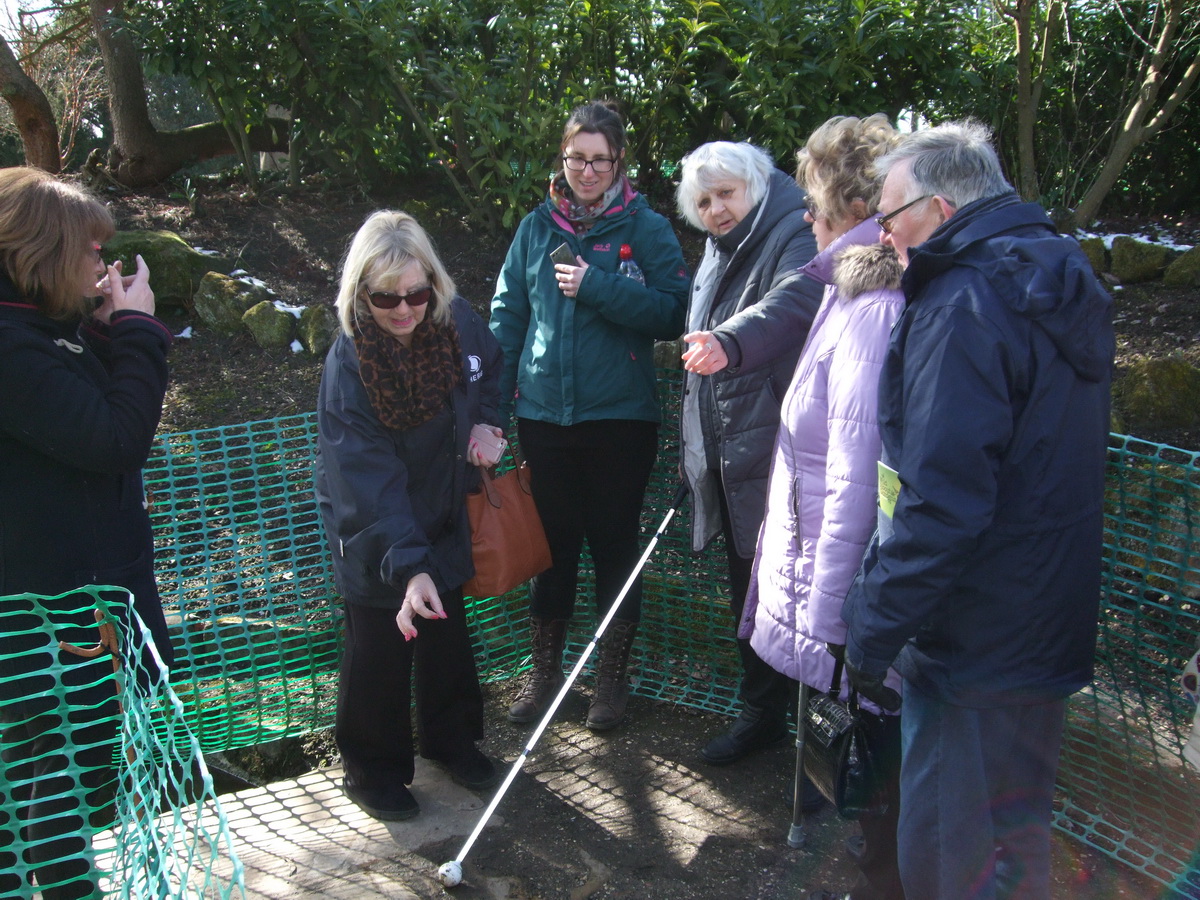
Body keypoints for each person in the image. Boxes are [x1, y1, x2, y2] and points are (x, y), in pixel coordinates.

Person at [841, 121, 1115, 899]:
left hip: (971, 639)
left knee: (945, 848)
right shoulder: (1056, 274)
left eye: (889, 217)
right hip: (1041, 622)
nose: (885, 237)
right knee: (1014, 838)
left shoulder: (962, 301)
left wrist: (872, 625)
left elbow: (941, 499)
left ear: (936, 207)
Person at [738, 115, 906, 900]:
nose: (804, 218)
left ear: (845, 203)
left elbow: (855, 482)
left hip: (849, 606)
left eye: (810, 201)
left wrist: (838, 624)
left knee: (873, 790)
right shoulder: (850, 289)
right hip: (835, 591)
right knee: (851, 783)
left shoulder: (872, 308)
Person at [0, 168, 175, 899]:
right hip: (55, 617)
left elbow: (81, 409)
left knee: (44, 763)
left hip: (70, 604)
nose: (104, 268)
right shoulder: (11, 347)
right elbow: (113, 438)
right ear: (46, 252)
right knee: (64, 765)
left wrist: (103, 333)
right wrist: (137, 334)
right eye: (92, 253)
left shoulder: (37, 331)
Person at [490, 100, 689, 732]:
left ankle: (610, 681)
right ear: (563, 157)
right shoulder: (535, 229)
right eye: (577, 157)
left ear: (619, 161)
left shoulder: (646, 228)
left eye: (600, 160)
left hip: (620, 419)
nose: (587, 171)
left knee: (613, 546)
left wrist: (599, 286)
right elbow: (507, 320)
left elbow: (677, 312)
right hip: (545, 417)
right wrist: (493, 412)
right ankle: (545, 675)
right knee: (552, 549)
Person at [314, 210, 505, 821]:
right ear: (358, 295)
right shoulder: (349, 363)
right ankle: (373, 769)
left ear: (435, 286)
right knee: (379, 646)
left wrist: (487, 422)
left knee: (446, 635)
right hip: (372, 525)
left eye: (417, 294)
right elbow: (365, 477)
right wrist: (408, 563)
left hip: (443, 503)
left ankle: (452, 743)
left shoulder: (460, 323)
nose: (404, 310)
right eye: (385, 298)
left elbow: (493, 374)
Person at [673, 141, 822, 766]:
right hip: (732, 453)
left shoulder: (796, 230)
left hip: (786, 450)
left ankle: (815, 744)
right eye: (703, 200)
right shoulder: (715, 251)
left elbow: (795, 301)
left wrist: (729, 342)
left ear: (756, 186)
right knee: (749, 594)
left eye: (726, 193)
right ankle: (762, 716)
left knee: (802, 599)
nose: (716, 208)